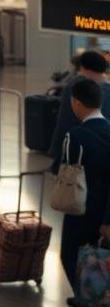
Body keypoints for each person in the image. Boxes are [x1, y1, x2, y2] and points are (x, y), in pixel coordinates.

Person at [55, 77, 110, 292]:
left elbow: (66, 168)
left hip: (81, 208)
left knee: (70, 254)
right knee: (98, 255)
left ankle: (85, 296)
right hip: (105, 209)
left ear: (76, 103)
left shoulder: (75, 135)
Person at [50, 50, 110, 161]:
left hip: (75, 149)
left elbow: (65, 122)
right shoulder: (106, 88)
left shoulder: (75, 87)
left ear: (82, 67)